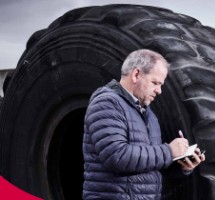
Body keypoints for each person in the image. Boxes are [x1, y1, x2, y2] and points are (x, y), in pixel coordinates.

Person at [82, 49, 205, 200]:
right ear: (136, 75)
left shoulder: (149, 115)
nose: (159, 91)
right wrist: (168, 151)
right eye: (155, 83)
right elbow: (117, 157)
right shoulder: (107, 103)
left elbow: (148, 167)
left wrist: (182, 165)